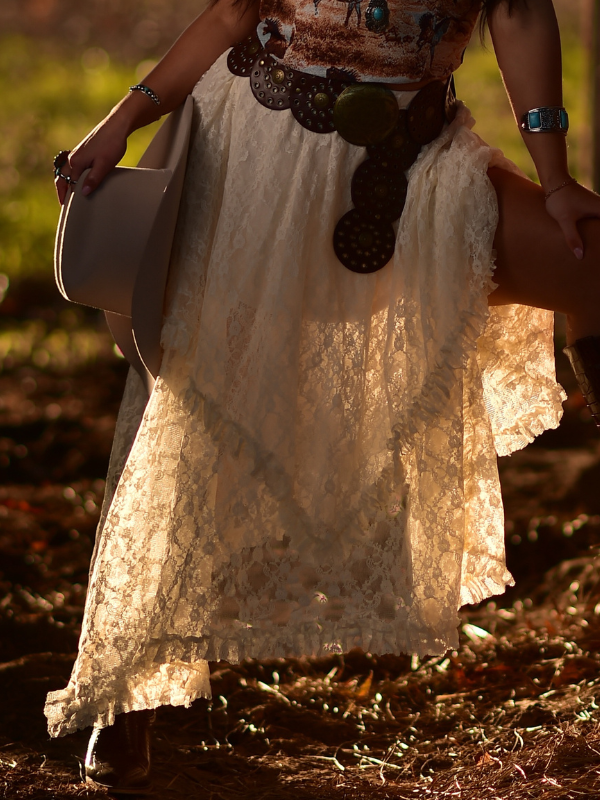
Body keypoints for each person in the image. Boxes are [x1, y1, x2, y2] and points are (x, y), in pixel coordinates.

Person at [46, 0, 600, 793]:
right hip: (261, 159)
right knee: (195, 416)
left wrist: (554, 177)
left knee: (589, 259)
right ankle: (125, 695)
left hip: (417, 165)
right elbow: (232, 12)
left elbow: (516, 10)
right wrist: (121, 121)